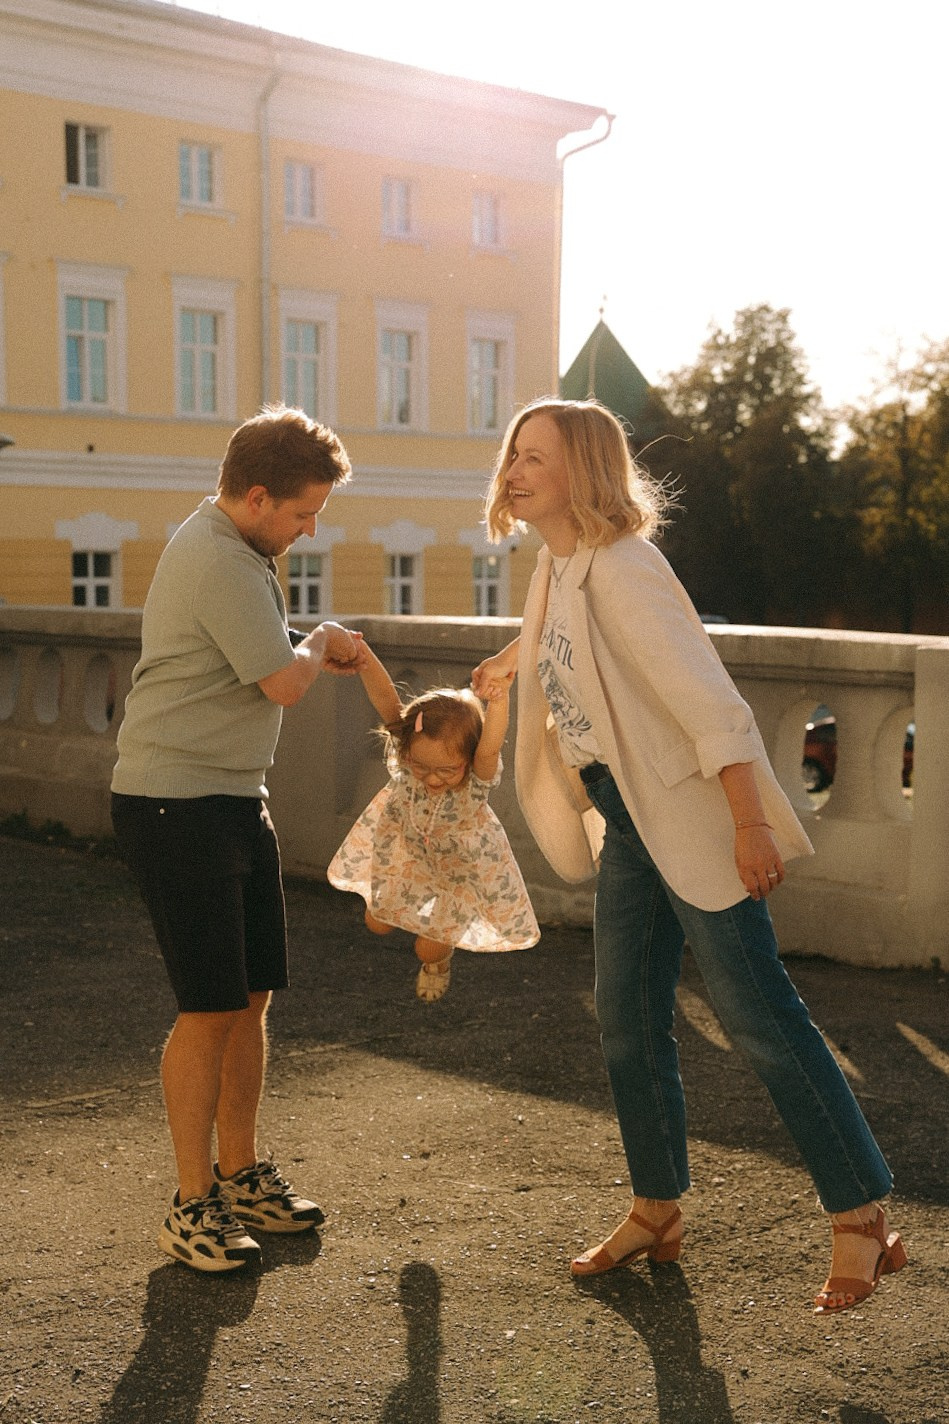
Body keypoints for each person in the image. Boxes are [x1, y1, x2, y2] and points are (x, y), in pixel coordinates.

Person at [471, 397, 906, 1314]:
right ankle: (656, 1209)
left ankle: (862, 1217)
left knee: (758, 1017)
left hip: (695, 820)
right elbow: (576, 640)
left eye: (534, 458)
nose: (513, 470)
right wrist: (517, 660)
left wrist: (750, 824)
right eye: (512, 453)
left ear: (581, 471)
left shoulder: (627, 568)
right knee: (626, 1020)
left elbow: (713, 706)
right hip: (627, 822)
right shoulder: (559, 563)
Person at [111, 404, 361, 1273]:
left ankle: (242, 1172)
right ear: (258, 498)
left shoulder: (239, 550)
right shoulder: (219, 557)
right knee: (209, 1005)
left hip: (227, 798)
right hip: (175, 803)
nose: (308, 528)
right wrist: (321, 641)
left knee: (251, 996)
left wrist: (303, 643)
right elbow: (282, 685)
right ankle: (191, 1205)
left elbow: (260, 663)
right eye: (302, 513)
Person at [327, 643, 539, 1001]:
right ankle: (419, 925)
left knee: (426, 949)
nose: (432, 779)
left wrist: (498, 700)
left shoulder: (474, 781)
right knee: (375, 923)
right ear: (407, 751)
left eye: (446, 770)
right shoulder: (409, 753)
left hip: (458, 875)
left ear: (468, 762)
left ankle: (438, 963)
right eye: (420, 766)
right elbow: (385, 699)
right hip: (410, 858)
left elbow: (489, 746)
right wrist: (362, 655)